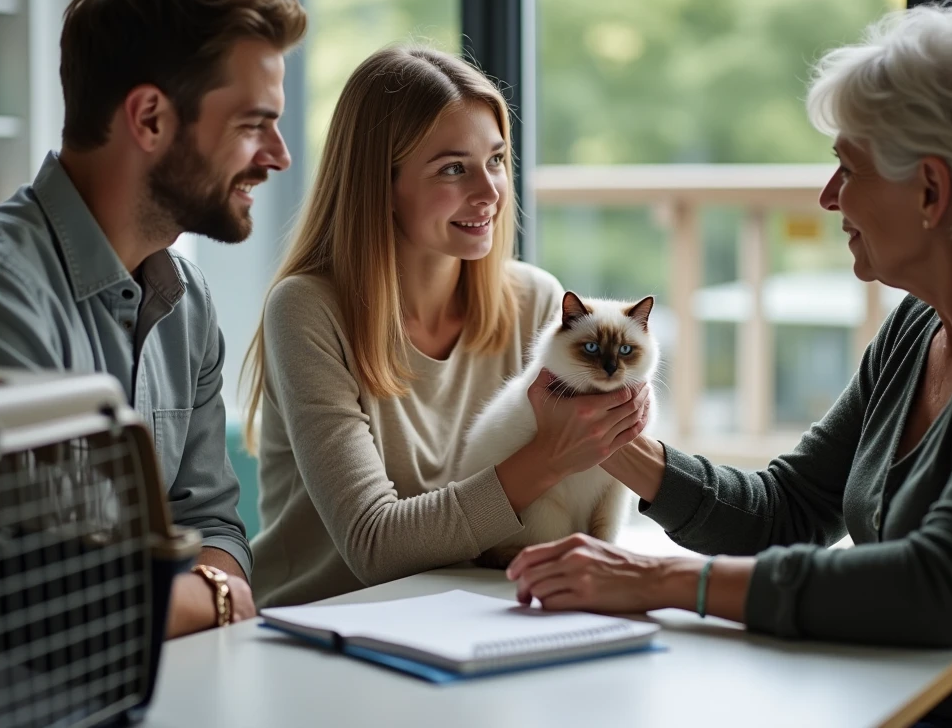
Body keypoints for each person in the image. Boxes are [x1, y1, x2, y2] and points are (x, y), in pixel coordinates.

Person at [507, 2, 952, 727]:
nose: (829, 198)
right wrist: (612, 441)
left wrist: (660, 577)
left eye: (846, 168)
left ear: (930, 190)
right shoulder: (921, 325)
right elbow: (788, 513)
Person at [0, 0, 307, 638]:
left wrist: (183, 592)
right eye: (252, 124)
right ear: (150, 118)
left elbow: (214, 528)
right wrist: (207, 599)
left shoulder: (187, 300)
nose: (279, 155)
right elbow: (40, 593)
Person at [242, 46, 650, 608]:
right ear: (379, 184)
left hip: (468, 613)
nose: (489, 193)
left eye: (497, 160)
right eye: (452, 168)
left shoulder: (536, 302)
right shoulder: (308, 310)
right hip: (321, 625)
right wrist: (551, 455)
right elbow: (374, 545)